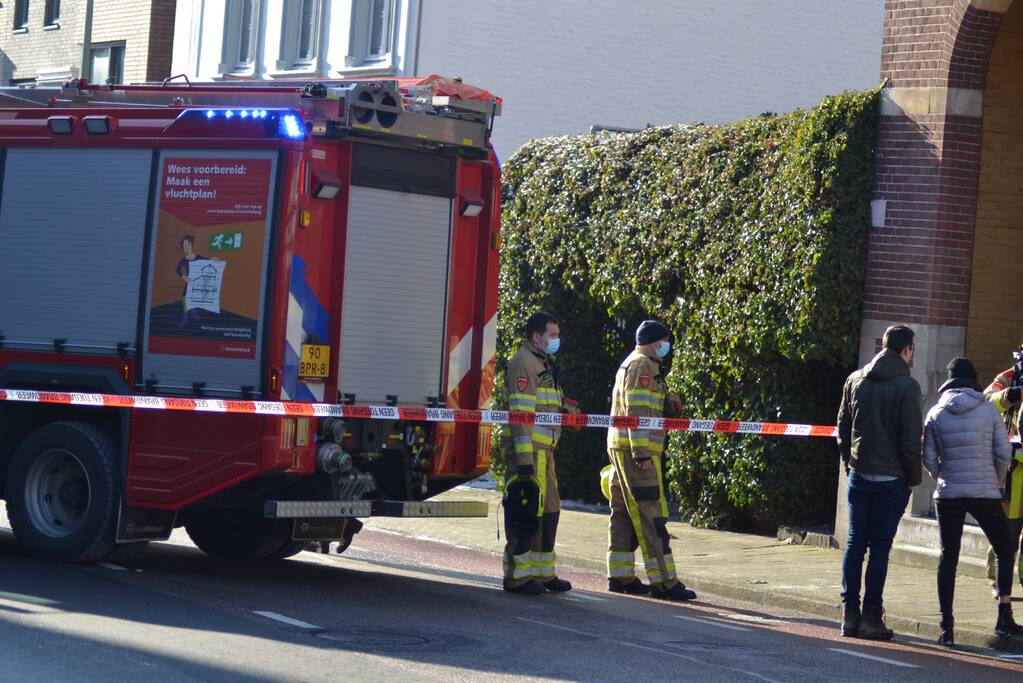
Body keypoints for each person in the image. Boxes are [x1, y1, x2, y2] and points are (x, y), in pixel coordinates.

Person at [923, 357, 1023, 645]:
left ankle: (946, 627)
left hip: (948, 494)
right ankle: (1004, 616)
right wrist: (993, 479)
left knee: (948, 557)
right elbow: (1003, 452)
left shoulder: (935, 412)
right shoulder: (987, 410)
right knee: (1005, 548)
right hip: (984, 492)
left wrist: (943, 477)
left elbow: (928, 457)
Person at [836, 324, 922, 640]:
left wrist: (850, 464)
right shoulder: (907, 387)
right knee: (880, 549)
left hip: (860, 474)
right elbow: (910, 440)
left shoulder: (855, 380)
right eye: (912, 350)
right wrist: (912, 479)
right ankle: (871, 616)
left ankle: (849, 613)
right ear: (906, 350)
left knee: (855, 544)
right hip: (891, 479)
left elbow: (842, 428)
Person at [605, 320, 696, 601]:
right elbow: (637, 412)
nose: (667, 346)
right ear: (655, 342)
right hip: (637, 454)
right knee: (651, 515)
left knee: (622, 513)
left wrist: (667, 403)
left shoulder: (636, 363)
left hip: (622, 448)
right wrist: (642, 453)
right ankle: (664, 582)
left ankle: (620, 576)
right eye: (665, 341)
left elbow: (642, 407)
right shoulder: (643, 365)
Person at [502, 311, 572, 595]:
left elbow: (545, 407)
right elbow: (521, 414)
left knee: (550, 512)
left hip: (546, 453)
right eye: (552, 335)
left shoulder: (544, 362)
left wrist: (567, 411)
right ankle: (517, 577)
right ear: (536, 336)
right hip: (530, 453)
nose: (557, 340)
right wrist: (524, 463)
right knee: (526, 513)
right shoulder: (524, 363)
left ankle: (543, 574)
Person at [983, 353, 1023, 597]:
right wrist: (1008, 396)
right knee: (1005, 533)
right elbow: (985, 401)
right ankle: (999, 582)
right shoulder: (1009, 377)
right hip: (1010, 474)